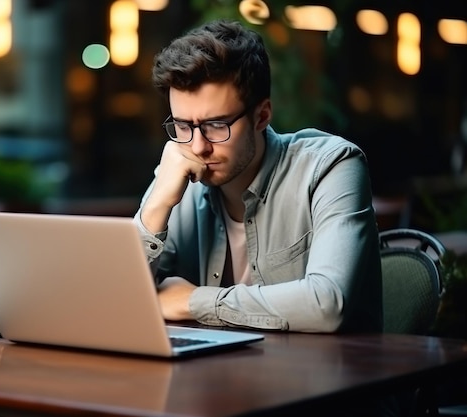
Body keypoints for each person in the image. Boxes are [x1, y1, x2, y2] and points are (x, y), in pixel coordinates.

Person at [134, 19, 382, 333]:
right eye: (183, 126)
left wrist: (193, 300)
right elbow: (115, 301)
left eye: (216, 125)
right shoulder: (179, 173)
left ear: (261, 115)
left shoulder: (332, 166)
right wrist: (157, 207)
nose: (198, 147)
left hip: (328, 375)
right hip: (213, 376)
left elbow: (327, 304)